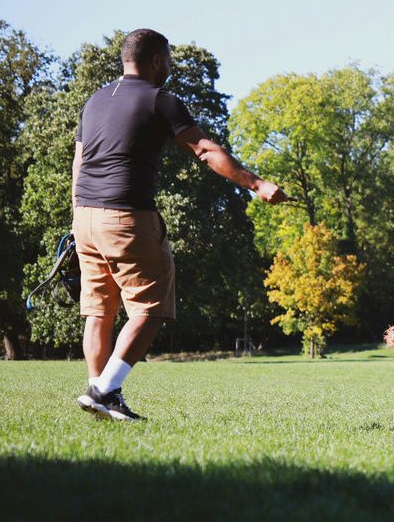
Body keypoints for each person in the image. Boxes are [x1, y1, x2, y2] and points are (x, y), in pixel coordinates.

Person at [72, 28, 291, 421]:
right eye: (168, 60)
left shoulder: (94, 101)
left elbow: (80, 163)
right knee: (150, 309)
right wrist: (256, 184)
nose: (169, 68)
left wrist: (78, 218)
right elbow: (205, 151)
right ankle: (102, 389)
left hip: (85, 216)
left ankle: (103, 397)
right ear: (156, 60)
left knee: (98, 313)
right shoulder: (160, 99)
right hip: (128, 215)